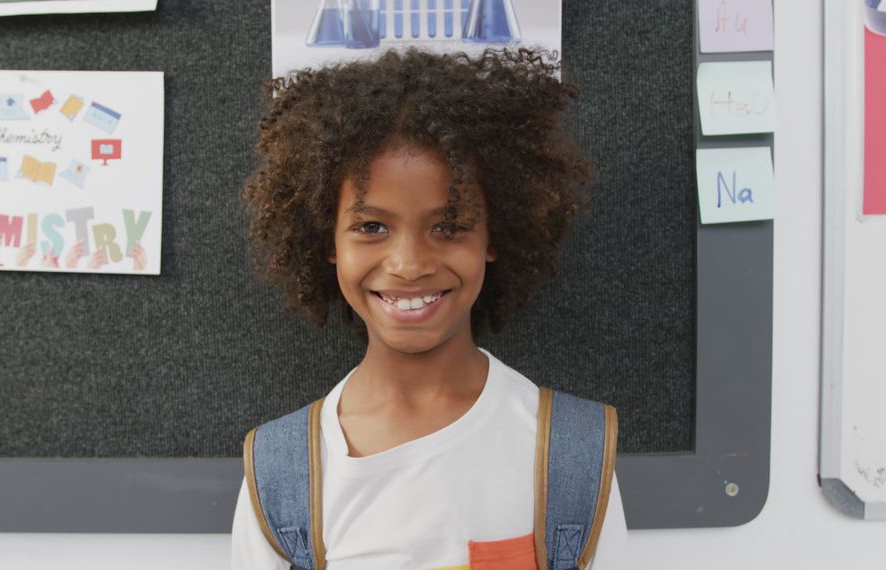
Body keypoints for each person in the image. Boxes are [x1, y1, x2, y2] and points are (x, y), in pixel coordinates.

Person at [233, 47, 628, 569]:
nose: (409, 263)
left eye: (449, 226)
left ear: (494, 235)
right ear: (328, 242)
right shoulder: (281, 474)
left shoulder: (571, 455)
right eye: (371, 227)